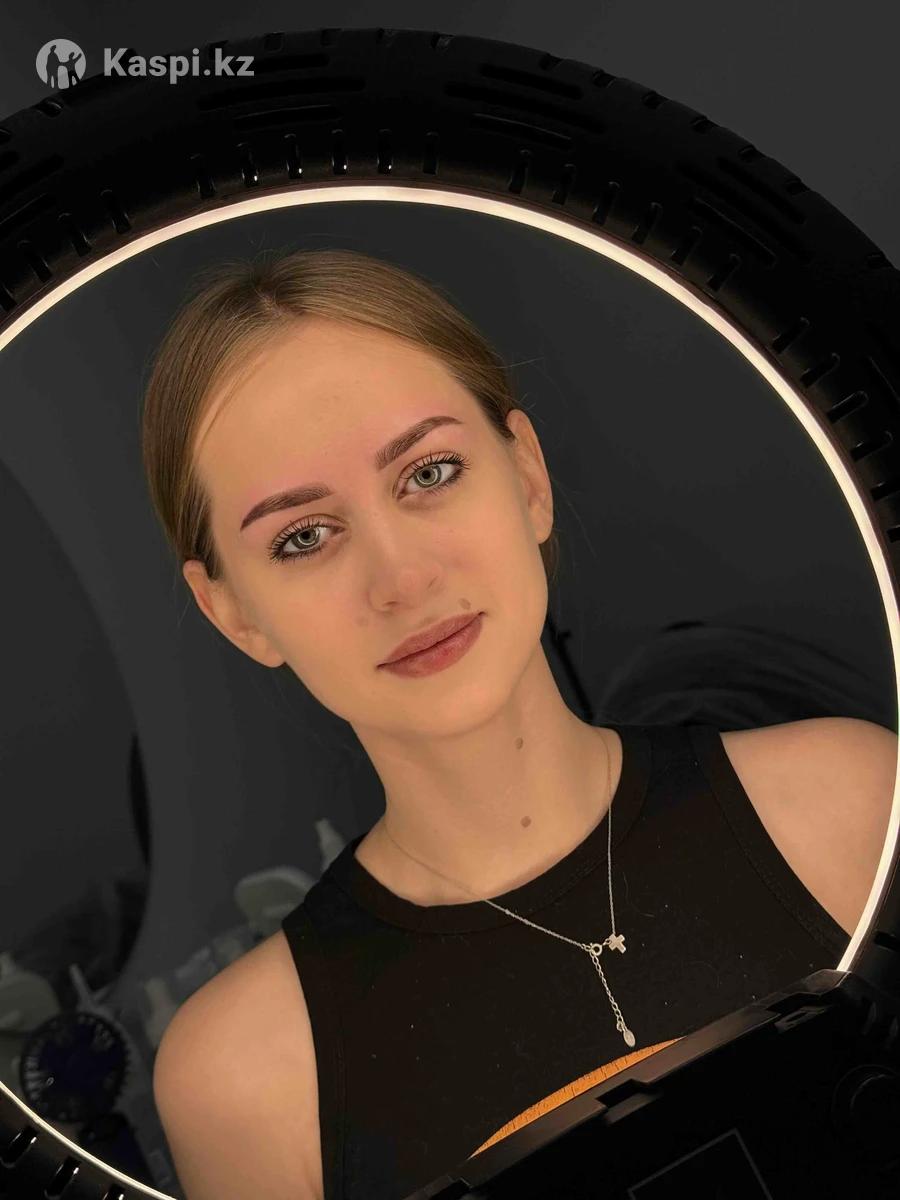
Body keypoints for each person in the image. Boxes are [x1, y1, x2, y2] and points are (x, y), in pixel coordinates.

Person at [142, 248, 896, 1200]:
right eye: (303, 536)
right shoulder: (245, 1078)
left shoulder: (852, 807)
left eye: (430, 472)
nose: (402, 578)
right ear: (234, 614)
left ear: (528, 477)